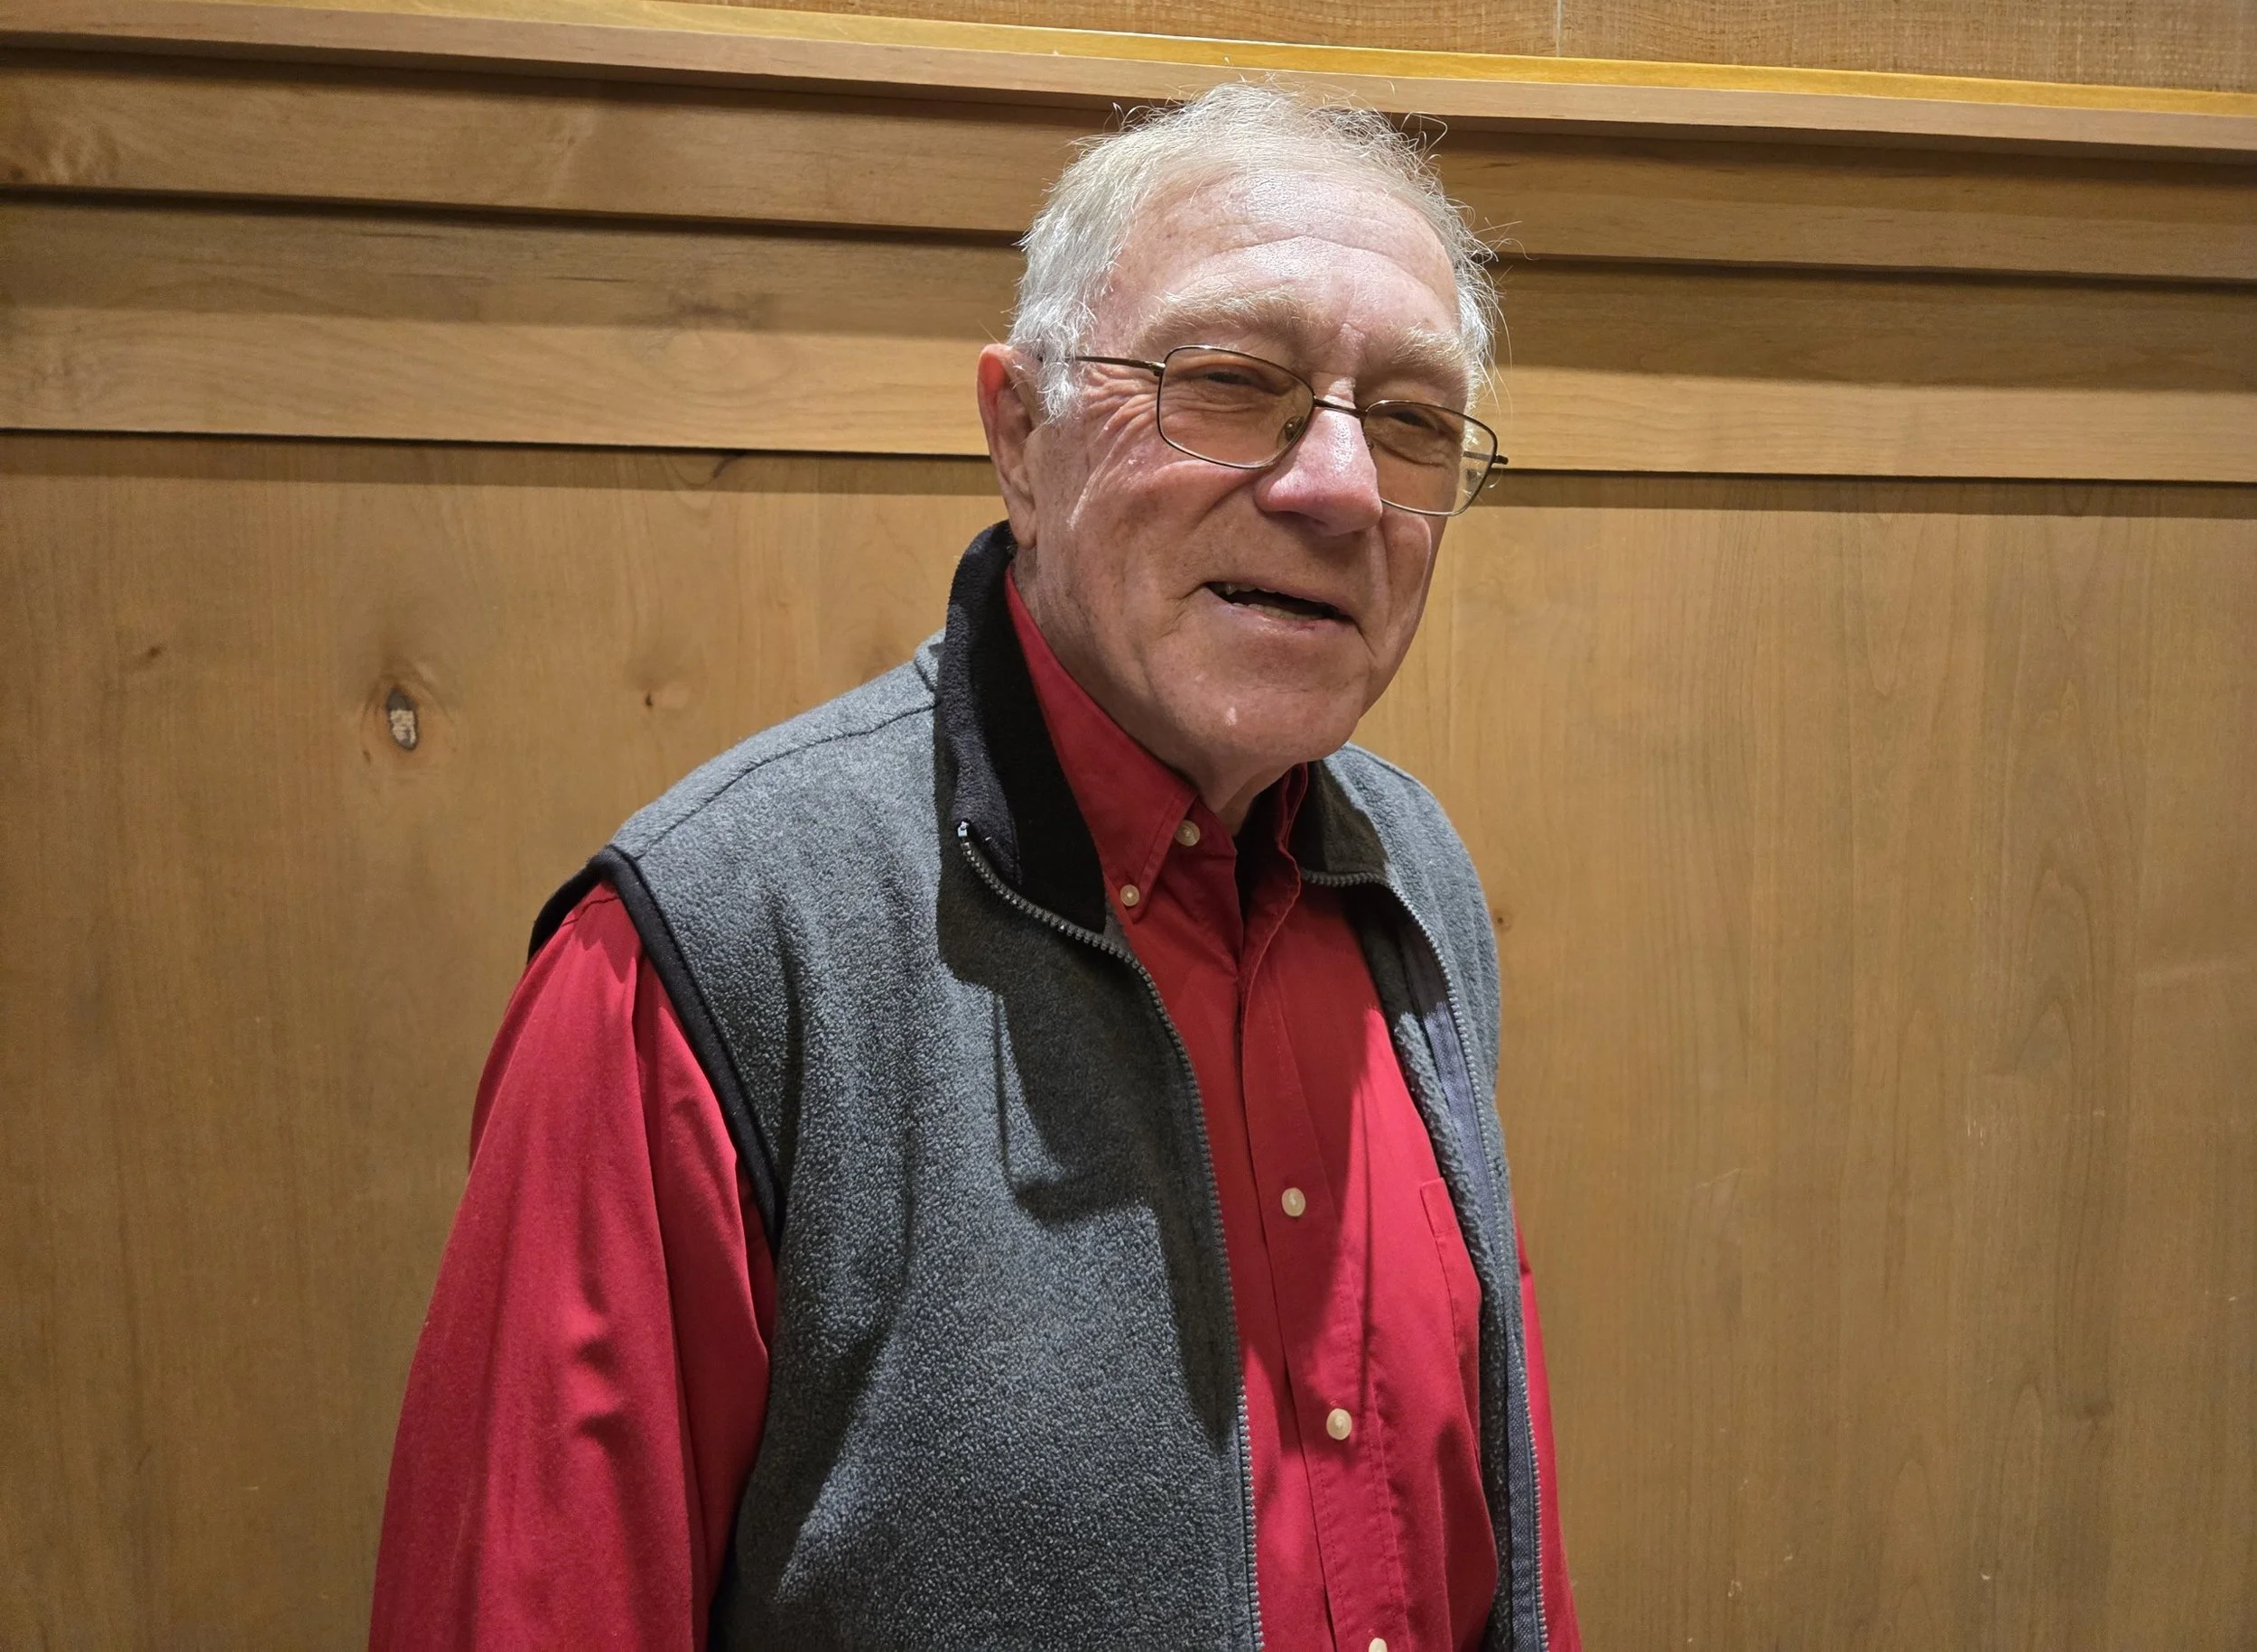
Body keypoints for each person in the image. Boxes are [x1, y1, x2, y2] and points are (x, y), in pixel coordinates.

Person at [372, 82, 1579, 1651]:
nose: (1342, 486)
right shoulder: (705, 959)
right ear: (1021, 436)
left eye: (1410, 418)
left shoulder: (1416, 883)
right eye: (1232, 382)